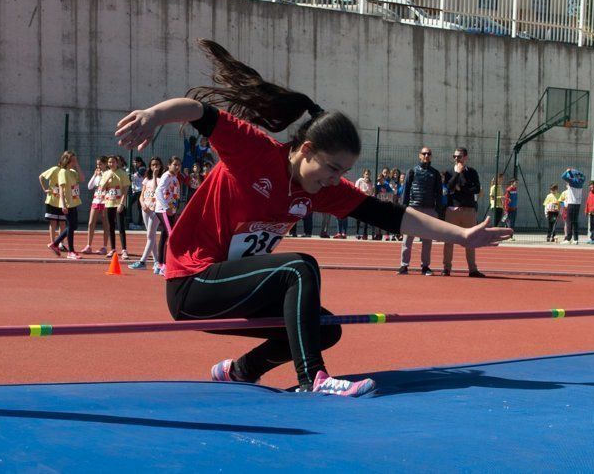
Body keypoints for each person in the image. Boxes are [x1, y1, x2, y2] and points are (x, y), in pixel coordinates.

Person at [113, 40, 510, 395]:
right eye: (332, 168)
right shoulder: (255, 152)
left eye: (342, 172)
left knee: (322, 327)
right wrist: (153, 115)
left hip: (236, 288)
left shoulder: (318, 189)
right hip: (192, 283)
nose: (337, 180)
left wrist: (461, 237)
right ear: (305, 149)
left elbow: (391, 216)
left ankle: (239, 371)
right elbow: (200, 112)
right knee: (299, 268)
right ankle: (313, 379)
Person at [398, 147, 442, 276]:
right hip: (413, 209)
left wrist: (438, 211)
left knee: (427, 240)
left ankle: (425, 267)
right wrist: (403, 209)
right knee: (408, 239)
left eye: (429, 154)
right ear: (419, 156)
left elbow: (439, 193)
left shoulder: (435, 173)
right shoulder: (412, 171)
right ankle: (404, 266)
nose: (426, 155)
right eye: (424, 153)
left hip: (429, 209)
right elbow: (405, 191)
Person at [442, 147, 485, 277]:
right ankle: (446, 268)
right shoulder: (449, 172)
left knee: (470, 240)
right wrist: (457, 174)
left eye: (459, 156)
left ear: (465, 157)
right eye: (454, 156)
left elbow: (476, 189)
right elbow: (449, 187)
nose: (456, 159)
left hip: (469, 209)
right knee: (448, 241)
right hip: (452, 210)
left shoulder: (472, 172)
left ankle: (472, 269)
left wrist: (461, 187)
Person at [48, 151, 84, 259]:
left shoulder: (72, 171)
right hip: (68, 203)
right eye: (72, 160)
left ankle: (55, 244)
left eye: (75, 159)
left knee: (73, 226)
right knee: (71, 226)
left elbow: (82, 179)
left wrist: (77, 164)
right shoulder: (62, 172)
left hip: (74, 202)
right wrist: (63, 205)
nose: (74, 162)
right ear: (66, 160)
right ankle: (70, 251)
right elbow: (62, 190)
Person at [130, 157, 163, 269]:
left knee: (150, 235)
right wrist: (142, 203)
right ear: (150, 166)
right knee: (151, 235)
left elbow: (156, 190)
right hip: (146, 209)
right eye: (153, 164)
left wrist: (154, 176)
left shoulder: (161, 179)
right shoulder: (146, 180)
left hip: (156, 210)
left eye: (157, 164)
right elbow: (142, 195)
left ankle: (142, 262)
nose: (155, 167)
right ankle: (156, 262)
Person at [154, 156, 181, 275]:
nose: (177, 167)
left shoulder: (175, 177)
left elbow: (175, 194)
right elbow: (158, 191)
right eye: (175, 164)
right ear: (169, 165)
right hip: (163, 210)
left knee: (165, 236)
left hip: (171, 210)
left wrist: (174, 208)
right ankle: (165, 265)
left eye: (179, 165)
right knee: (171, 235)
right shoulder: (166, 176)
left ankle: (159, 264)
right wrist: (166, 207)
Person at [101, 155, 131, 259]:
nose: (111, 164)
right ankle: (113, 249)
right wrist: (108, 179)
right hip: (109, 203)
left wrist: (121, 204)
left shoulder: (122, 174)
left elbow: (125, 189)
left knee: (121, 227)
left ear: (117, 163)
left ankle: (124, 250)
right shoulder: (105, 174)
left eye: (113, 162)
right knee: (111, 227)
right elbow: (102, 188)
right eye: (109, 162)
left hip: (119, 204)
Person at [81, 156, 109, 254]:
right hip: (96, 200)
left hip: (105, 201)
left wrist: (102, 175)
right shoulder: (97, 174)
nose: (98, 166)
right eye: (97, 164)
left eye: (100, 164)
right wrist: (94, 175)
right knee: (91, 222)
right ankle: (89, 246)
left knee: (105, 224)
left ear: (106, 164)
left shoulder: (108, 174)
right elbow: (89, 186)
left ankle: (104, 247)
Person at [39, 161, 67, 252]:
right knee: (53, 222)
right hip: (52, 200)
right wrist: (45, 189)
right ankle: (53, 242)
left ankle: (61, 243)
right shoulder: (55, 169)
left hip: (63, 201)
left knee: (63, 223)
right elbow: (41, 176)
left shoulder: (68, 172)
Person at [561, 167, 585, 244]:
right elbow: (583, 176)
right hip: (578, 204)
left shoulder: (571, 182)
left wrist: (567, 171)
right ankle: (576, 239)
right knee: (575, 222)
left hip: (571, 203)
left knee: (569, 221)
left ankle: (568, 239)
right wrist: (577, 172)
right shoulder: (581, 181)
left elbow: (563, 176)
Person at [354, 169, 374, 240]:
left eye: (368, 174)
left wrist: (369, 193)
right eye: (366, 174)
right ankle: (357, 232)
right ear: (363, 175)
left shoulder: (371, 182)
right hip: (359, 201)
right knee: (358, 217)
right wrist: (363, 192)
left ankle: (365, 233)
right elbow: (355, 189)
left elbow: (372, 192)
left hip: (367, 201)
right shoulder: (359, 180)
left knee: (366, 218)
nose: (367, 175)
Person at [128, 157, 146, 229]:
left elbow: (134, 177)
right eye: (133, 162)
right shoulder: (135, 169)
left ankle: (140, 223)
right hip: (135, 191)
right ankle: (130, 221)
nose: (134, 164)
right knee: (128, 205)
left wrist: (131, 172)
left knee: (139, 207)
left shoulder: (142, 168)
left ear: (139, 162)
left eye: (135, 162)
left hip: (140, 190)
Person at [375, 173, 394, 240]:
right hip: (378, 205)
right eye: (379, 178)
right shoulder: (377, 186)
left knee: (384, 220)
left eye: (381, 178)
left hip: (385, 204)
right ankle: (377, 234)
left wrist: (387, 197)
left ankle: (385, 234)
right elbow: (373, 193)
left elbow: (391, 193)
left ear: (383, 178)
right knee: (377, 220)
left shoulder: (386, 185)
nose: (380, 180)